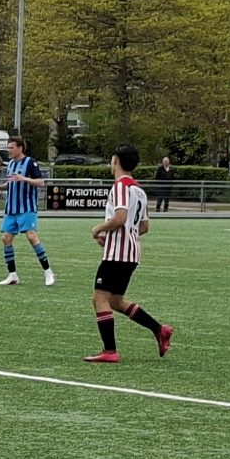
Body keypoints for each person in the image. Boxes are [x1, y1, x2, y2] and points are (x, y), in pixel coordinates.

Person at [85, 144, 172, 364]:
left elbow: (121, 217)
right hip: (131, 252)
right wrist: (117, 236)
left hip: (117, 255)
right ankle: (159, 329)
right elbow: (144, 227)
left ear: (115, 160)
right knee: (115, 300)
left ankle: (110, 351)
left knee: (99, 299)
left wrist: (99, 229)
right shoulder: (139, 190)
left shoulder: (120, 187)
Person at [0, 138, 55, 287]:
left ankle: (48, 271)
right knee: (6, 238)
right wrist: (1, 187)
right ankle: (12, 275)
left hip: (26, 208)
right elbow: (12, 183)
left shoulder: (30, 162)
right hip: (11, 208)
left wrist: (23, 178)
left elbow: (41, 182)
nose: (9, 150)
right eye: (8, 148)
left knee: (31, 236)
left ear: (20, 148)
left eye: (11, 148)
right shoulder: (10, 164)